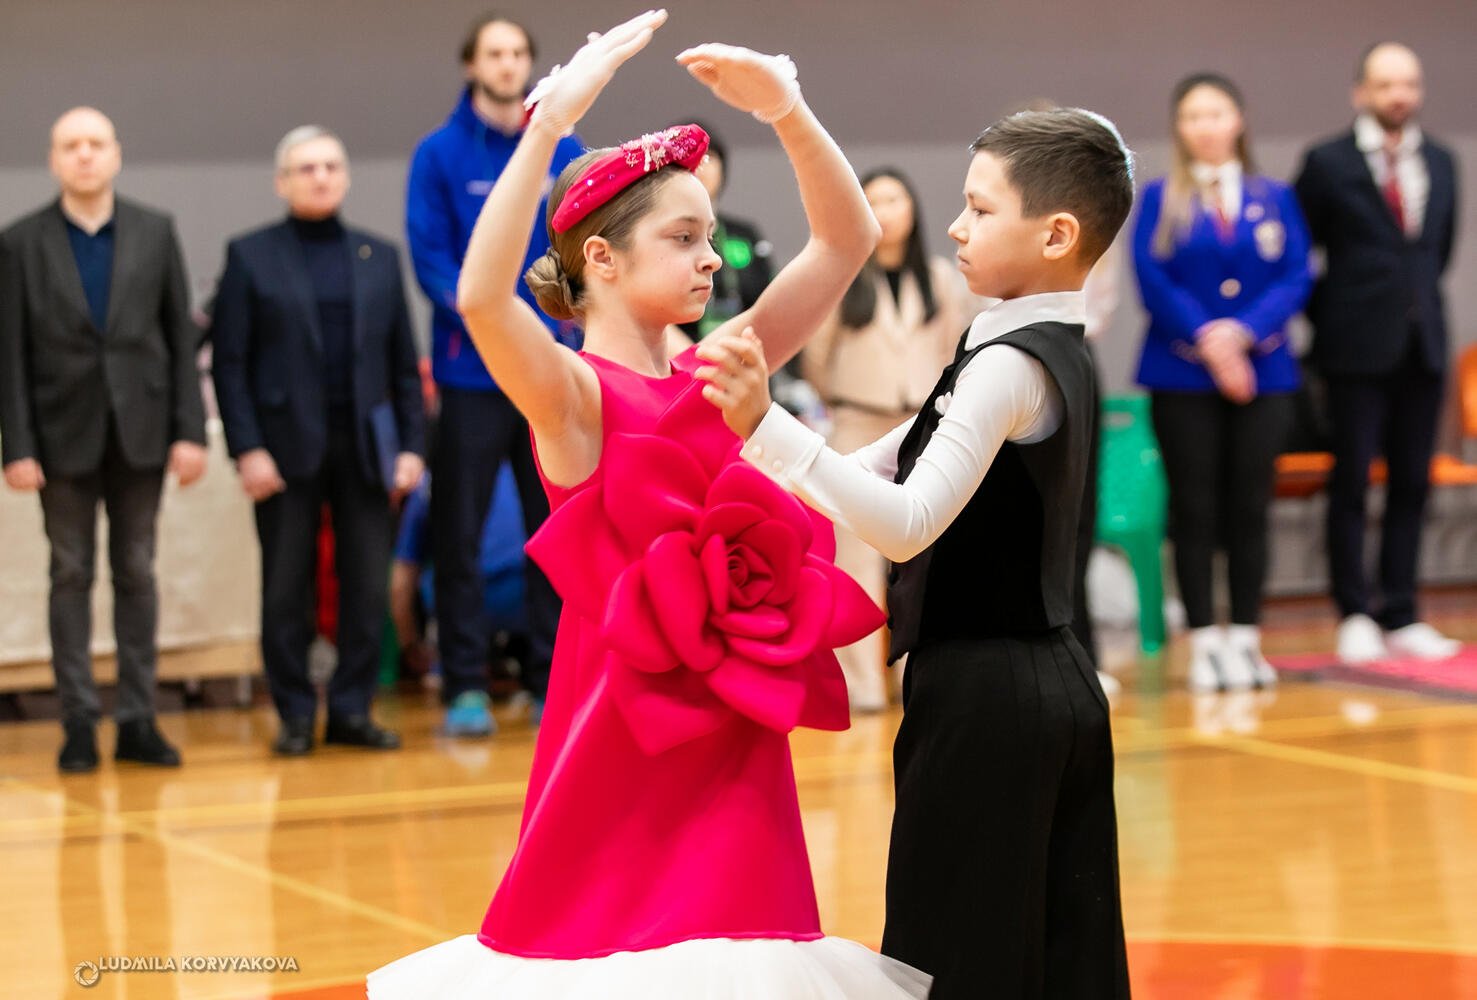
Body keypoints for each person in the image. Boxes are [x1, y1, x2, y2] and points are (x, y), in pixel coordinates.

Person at [368, 14, 928, 998]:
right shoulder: (574, 397)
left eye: (709, 237)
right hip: (619, 743)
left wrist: (788, 109)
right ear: (602, 259)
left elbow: (849, 240)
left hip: (733, 731)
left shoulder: (722, 368)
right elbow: (481, 300)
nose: (712, 258)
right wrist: (549, 123)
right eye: (683, 238)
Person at [701, 108, 1135, 998]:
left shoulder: (1011, 363)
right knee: (1051, 956)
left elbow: (906, 521)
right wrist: (735, 471)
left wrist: (765, 425)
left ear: (1056, 235)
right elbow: (882, 460)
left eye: (980, 209)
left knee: (959, 954)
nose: (956, 227)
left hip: (996, 691)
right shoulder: (1008, 339)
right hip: (1031, 681)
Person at [0, 107, 208, 773]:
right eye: (72, 145)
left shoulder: (154, 230)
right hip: (59, 437)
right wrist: (16, 445)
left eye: (96, 143)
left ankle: (138, 718)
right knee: (70, 574)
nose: (85, 155)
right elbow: (9, 353)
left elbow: (179, 337)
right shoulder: (20, 242)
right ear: (54, 159)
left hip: (141, 432)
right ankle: (78, 722)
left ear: (116, 154)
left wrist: (190, 431)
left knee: (137, 572)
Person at [211, 126, 426, 755]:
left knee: (365, 586)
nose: (321, 177)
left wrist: (412, 446)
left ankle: (353, 710)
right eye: (306, 168)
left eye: (331, 166)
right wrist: (247, 448)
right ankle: (296, 715)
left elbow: (402, 362)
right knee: (286, 589)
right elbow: (230, 363)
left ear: (346, 176)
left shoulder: (378, 255)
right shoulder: (251, 255)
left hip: (366, 448)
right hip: (282, 450)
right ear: (282, 182)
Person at [406, 13, 585, 737]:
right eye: (494, 53)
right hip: (470, 376)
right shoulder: (438, 154)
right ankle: (465, 685)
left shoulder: (564, 149)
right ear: (471, 66)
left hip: (550, 373)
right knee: (460, 534)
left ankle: (552, 680)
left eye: (518, 53)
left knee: (557, 530)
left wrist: (558, 326)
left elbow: (586, 245)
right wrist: (491, 321)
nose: (508, 64)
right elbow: (430, 257)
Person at [1132, 73, 1313, 692]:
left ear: (1238, 119)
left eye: (1216, 113)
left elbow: (1296, 274)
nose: (1205, 126)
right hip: (1181, 374)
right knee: (1194, 507)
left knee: (1250, 507)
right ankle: (1205, 641)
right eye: (1192, 116)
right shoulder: (1161, 198)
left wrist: (1242, 333)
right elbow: (1152, 276)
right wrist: (1209, 338)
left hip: (1266, 374)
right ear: (1179, 129)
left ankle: (1246, 638)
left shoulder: (1274, 196)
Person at [1294, 42, 1462, 664]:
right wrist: (1336, 316)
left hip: (1423, 345)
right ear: (1360, 91)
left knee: (1413, 482)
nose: (1399, 95)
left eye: (1409, 83)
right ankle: (1355, 611)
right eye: (1386, 84)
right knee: (1351, 481)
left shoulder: (1441, 160)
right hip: (1352, 349)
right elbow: (1299, 254)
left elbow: (1437, 252)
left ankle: (1402, 611)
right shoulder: (1327, 162)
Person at [799, 167, 963, 710]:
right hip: (857, 420)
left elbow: (956, 349)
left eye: (895, 199)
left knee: (925, 554)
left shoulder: (939, 277)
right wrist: (845, 395)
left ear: (912, 208)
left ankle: (922, 677)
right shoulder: (844, 274)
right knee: (857, 557)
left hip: (923, 424)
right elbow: (816, 357)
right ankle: (861, 686)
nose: (886, 211)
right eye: (874, 201)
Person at [674, 120, 774, 342]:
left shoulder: (745, 234)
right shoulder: (656, 233)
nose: (700, 165)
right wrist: (687, 355)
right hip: (674, 356)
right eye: (689, 155)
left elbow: (769, 301)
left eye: (709, 157)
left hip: (741, 349)